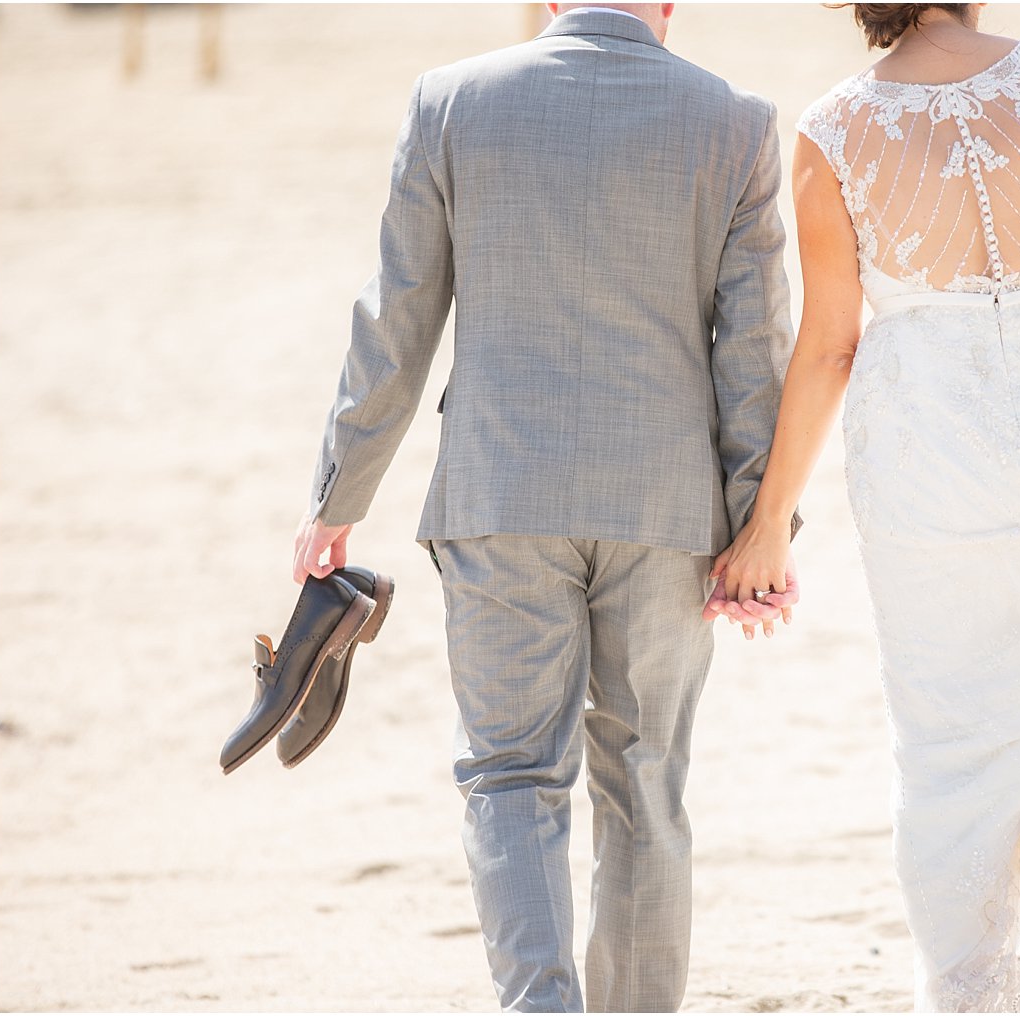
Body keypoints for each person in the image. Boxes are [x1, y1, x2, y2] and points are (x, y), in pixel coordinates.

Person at [292, 4, 801, 1010]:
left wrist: (336, 498)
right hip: (668, 512)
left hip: (499, 495)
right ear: (666, 6)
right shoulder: (735, 121)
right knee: (645, 784)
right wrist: (761, 532)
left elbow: (394, 320)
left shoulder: (450, 101)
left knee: (510, 774)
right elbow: (753, 352)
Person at [709, 3, 1020, 1011]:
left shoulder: (833, 128)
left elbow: (830, 344)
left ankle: (974, 985)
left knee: (950, 727)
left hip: (928, 453)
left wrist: (769, 519)